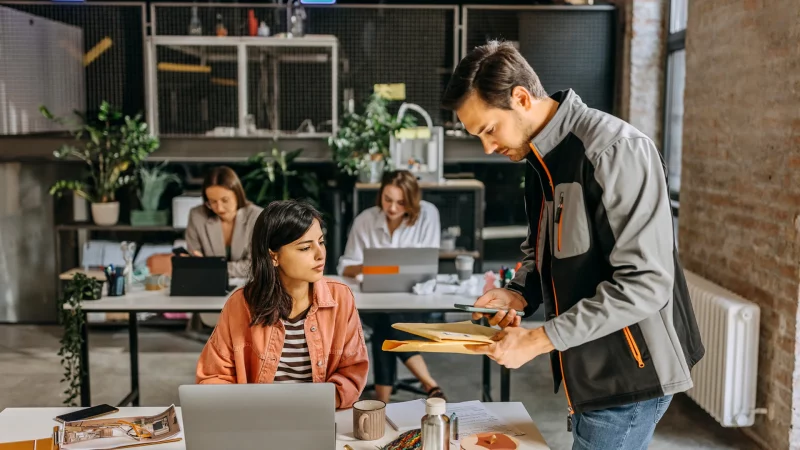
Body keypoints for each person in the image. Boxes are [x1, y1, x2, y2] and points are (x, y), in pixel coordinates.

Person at [442, 41, 705, 450]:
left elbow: (646, 284)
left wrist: (537, 339)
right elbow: (544, 250)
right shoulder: (541, 158)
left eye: (489, 130)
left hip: (630, 373)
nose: (488, 148)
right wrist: (517, 295)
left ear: (521, 98)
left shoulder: (614, 150)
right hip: (589, 366)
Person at [196, 200, 369, 410]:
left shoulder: (340, 298)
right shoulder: (240, 304)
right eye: (305, 247)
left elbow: (352, 372)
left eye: (321, 242)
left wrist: (313, 404)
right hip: (258, 418)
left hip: (318, 414)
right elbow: (213, 377)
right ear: (273, 256)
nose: (320, 254)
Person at [338, 170, 445, 403]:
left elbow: (427, 266)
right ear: (380, 195)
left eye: (401, 202)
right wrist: (367, 267)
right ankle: (430, 385)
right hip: (373, 302)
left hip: (413, 302)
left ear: (412, 201)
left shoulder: (428, 215)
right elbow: (345, 266)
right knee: (387, 322)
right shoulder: (365, 220)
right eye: (387, 199)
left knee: (385, 328)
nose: (393, 208)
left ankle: (382, 404)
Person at [185, 166, 263, 279]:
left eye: (225, 200)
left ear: (237, 195)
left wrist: (213, 267)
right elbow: (194, 261)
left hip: (248, 285)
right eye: (212, 202)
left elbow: (256, 266)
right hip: (208, 283)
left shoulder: (257, 217)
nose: (219, 208)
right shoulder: (197, 216)